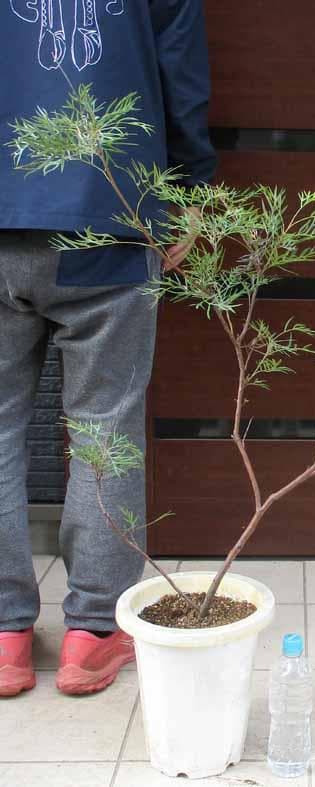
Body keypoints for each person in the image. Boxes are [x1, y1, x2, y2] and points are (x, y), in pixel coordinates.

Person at [0, 0, 215, 696]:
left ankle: (4, 635)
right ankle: (93, 632)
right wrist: (188, 191)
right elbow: (180, 70)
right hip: (109, 211)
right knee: (105, 426)